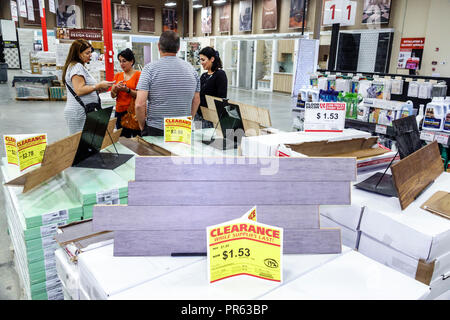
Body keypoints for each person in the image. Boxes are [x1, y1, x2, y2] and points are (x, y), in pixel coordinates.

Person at [135, 31, 200, 136]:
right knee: (179, 153)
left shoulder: (149, 69)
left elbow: (139, 104)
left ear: (158, 46)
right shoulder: (192, 70)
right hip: (182, 128)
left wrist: (143, 127)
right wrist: (188, 121)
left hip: (156, 129)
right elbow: (196, 100)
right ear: (178, 48)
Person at [62, 39, 114, 134]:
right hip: (79, 112)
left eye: (90, 52)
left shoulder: (78, 66)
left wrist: (99, 89)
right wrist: (98, 85)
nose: (90, 55)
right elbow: (79, 90)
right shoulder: (77, 67)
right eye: (87, 53)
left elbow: (84, 88)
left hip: (82, 111)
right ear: (78, 53)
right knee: (80, 143)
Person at [110, 48, 141, 138]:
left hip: (133, 112)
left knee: (136, 139)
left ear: (131, 61)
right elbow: (112, 95)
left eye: (124, 61)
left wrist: (127, 90)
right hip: (120, 112)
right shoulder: (118, 76)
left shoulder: (138, 75)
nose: (121, 64)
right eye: (120, 61)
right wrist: (115, 88)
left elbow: (140, 95)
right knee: (122, 140)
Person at [196, 47, 228, 128]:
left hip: (211, 118)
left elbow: (221, 99)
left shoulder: (220, 75)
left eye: (203, 60)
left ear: (212, 59)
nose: (201, 62)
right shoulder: (203, 76)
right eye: (200, 60)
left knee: (207, 139)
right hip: (199, 116)